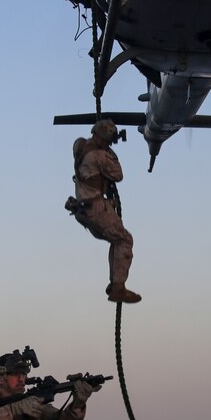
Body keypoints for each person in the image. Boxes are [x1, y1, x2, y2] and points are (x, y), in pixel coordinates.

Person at [67, 119, 141, 304]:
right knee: (124, 240)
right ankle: (118, 288)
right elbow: (118, 174)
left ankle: (115, 283)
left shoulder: (81, 146)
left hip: (82, 209)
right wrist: (111, 152)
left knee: (115, 240)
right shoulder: (100, 156)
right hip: (95, 209)